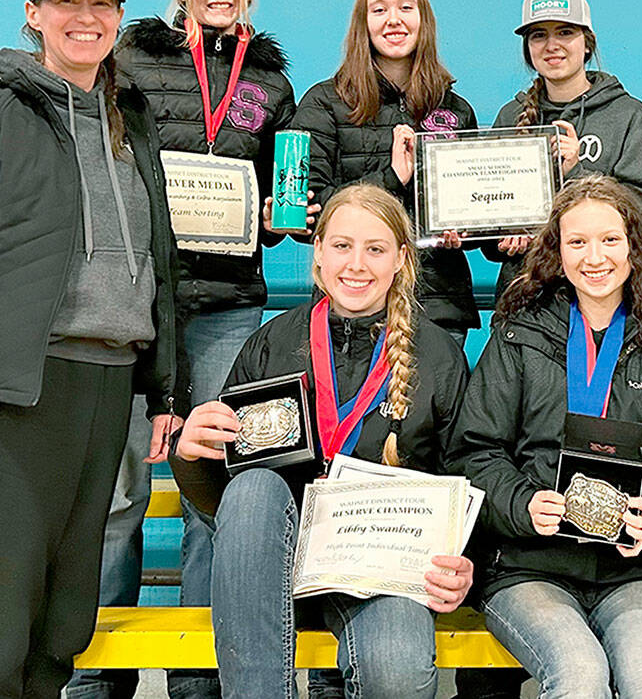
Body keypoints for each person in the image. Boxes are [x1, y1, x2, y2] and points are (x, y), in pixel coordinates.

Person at [0, 0, 184, 698]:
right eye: (66, 2)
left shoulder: (132, 120)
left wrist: (162, 394)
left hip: (107, 389)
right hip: (16, 396)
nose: (84, 17)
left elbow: (158, 263)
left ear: (120, 20)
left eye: (100, 4)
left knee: (62, 630)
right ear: (34, 16)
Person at [68, 0, 298, 699]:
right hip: (139, 299)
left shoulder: (269, 80)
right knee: (116, 486)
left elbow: (282, 190)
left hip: (230, 304)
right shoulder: (132, 59)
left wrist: (276, 213)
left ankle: (199, 674)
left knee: (215, 484)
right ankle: (99, 672)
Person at [169, 183, 473, 698]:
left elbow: (467, 479)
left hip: (379, 570)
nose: (357, 264)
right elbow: (222, 503)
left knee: (398, 670)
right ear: (318, 253)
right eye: (341, 246)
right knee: (254, 489)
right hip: (275, 565)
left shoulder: (439, 356)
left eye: (375, 249)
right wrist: (192, 454)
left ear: (401, 259)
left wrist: (464, 563)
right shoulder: (272, 342)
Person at [449, 175, 642, 699]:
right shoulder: (518, 336)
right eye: (577, 241)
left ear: (635, 247)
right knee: (580, 675)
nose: (595, 257)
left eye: (610, 239)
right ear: (556, 251)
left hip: (632, 572)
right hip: (528, 567)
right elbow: (474, 453)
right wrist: (522, 504)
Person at [293, 0, 479, 344]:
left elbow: (474, 213)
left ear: (423, 20)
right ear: (363, 25)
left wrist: (469, 231)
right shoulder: (324, 103)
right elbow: (305, 214)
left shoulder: (456, 110)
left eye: (406, 7)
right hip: (351, 304)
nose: (394, 19)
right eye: (379, 10)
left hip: (438, 307)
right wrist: (391, 179)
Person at [484, 0, 642, 297]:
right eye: (538, 35)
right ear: (528, 49)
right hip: (528, 300)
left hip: (607, 301)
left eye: (565, 32)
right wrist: (497, 237)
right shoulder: (511, 115)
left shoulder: (626, 114)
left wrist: (577, 172)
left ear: (587, 44)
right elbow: (492, 224)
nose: (551, 45)